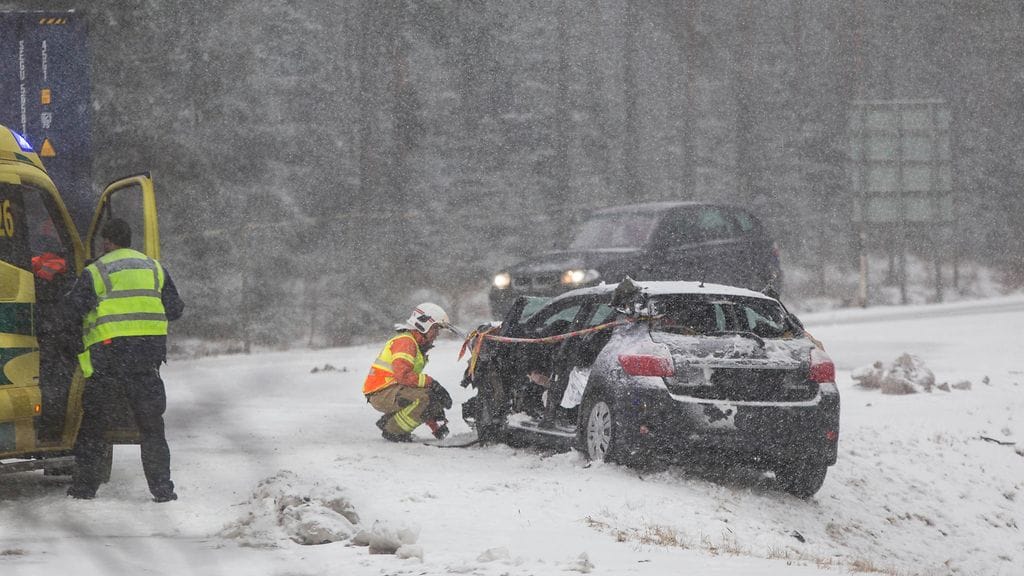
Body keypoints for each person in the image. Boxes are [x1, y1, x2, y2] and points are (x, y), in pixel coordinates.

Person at [66, 218, 184, 502]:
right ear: (130, 239)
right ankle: (162, 489)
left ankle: (84, 488)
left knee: (95, 425)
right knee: (152, 428)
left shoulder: (97, 270)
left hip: (108, 360)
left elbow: (72, 309)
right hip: (145, 360)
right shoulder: (155, 268)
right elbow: (175, 309)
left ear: (107, 241)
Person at [363, 303, 454, 442]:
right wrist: (432, 383)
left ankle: (389, 421)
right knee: (427, 397)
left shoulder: (414, 343)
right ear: (423, 325)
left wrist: (435, 425)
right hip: (381, 392)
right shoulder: (406, 342)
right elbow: (403, 376)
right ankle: (393, 430)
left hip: (387, 390)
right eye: (435, 328)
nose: (437, 334)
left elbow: (416, 389)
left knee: (431, 396)